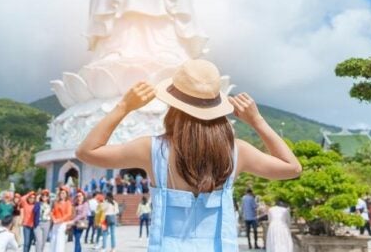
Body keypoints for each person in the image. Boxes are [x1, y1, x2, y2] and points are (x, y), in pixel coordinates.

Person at [76, 59, 302, 252]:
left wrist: (124, 106)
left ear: (174, 106)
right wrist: (257, 121)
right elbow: (292, 168)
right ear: (218, 106)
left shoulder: (152, 149)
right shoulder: (237, 151)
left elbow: (87, 151)